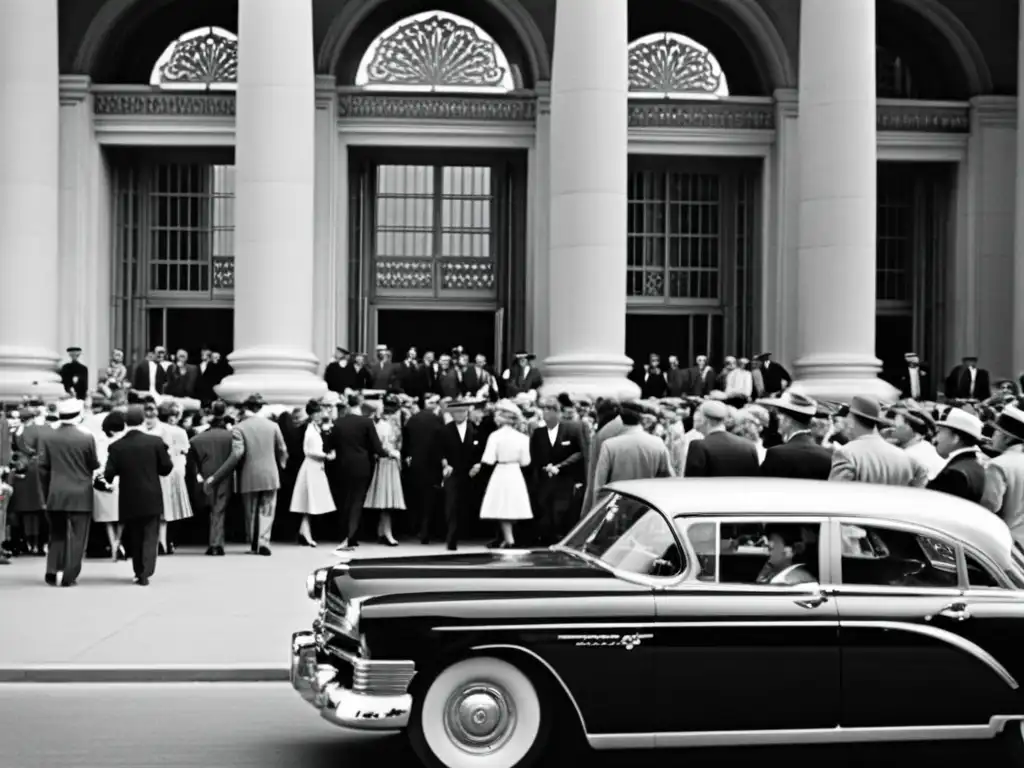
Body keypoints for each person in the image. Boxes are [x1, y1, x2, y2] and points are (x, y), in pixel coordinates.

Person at [206, 394, 288, 556]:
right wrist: (281, 464)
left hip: (248, 474)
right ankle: (264, 541)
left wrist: (222, 473)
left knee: (250, 511)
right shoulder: (273, 426)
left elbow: (237, 454)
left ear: (247, 408)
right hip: (270, 472)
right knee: (267, 508)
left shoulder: (240, 427)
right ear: (261, 407)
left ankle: (253, 542)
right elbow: (282, 449)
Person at [105, 405, 173, 585]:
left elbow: (109, 474)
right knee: (151, 534)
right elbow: (166, 468)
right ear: (143, 420)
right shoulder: (156, 442)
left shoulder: (116, 446)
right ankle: (146, 570)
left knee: (135, 535)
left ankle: (138, 570)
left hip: (129, 496)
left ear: (125, 423)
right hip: (152, 494)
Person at [38, 399, 99, 587]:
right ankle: (69, 574)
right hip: (81, 492)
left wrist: (46, 492)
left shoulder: (49, 437)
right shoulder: (86, 437)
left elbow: (43, 468)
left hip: (56, 491)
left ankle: (51, 570)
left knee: (56, 534)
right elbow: (93, 464)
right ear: (78, 415)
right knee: (78, 536)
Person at [326, 393, 392, 550]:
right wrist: (388, 454)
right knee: (357, 501)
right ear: (360, 404)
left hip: (342, 466)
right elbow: (376, 447)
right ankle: (351, 536)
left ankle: (344, 534)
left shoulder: (338, 422)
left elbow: (328, 445)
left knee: (344, 500)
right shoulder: (366, 422)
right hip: (362, 466)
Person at [529, 395, 586, 545]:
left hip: (565, 478)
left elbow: (579, 452)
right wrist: (545, 467)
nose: (545, 414)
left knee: (561, 510)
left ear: (557, 412)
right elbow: (534, 455)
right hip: (545, 479)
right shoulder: (538, 433)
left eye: (549, 410)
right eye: (544, 410)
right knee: (545, 509)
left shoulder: (571, 429)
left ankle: (563, 539)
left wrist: (560, 466)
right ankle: (547, 540)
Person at [476, 399, 532, 548]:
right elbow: (526, 461)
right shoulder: (523, 438)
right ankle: (509, 537)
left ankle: (509, 539)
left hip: (501, 471)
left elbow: (488, 458)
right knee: (512, 505)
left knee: (501, 506)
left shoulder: (495, 436)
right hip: (515, 472)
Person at [828, 396, 917, 486]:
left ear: (851, 420)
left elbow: (836, 494)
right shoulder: (904, 457)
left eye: (847, 416)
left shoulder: (847, 453)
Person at [593, 401, 673, 492]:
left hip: (617, 503)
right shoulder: (658, 443)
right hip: (647, 501)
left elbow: (599, 486)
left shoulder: (609, 445)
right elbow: (669, 479)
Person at [188, 401, 235, 556]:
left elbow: (192, 445)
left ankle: (214, 543)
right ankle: (216, 544)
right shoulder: (231, 436)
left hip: (207, 472)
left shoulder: (200, 437)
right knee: (219, 509)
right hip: (225, 473)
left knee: (213, 508)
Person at [289, 399, 335, 547]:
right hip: (311, 466)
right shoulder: (309, 429)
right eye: (317, 412)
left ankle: (305, 532)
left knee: (309, 502)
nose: (319, 415)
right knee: (309, 501)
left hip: (315, 466)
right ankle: (305, 533)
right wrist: (326, 456)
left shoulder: (315, 427)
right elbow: (308, 450)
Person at [758, 390, 833, 480]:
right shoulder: (827, 456)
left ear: (788, 420)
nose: (777, 422)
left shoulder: (776, 454)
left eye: (779, 417)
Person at [402, 394, 446, 544]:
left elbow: (406, 442)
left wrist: (407, 456)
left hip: (415, 463)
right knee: (430, 498)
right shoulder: (437, 420)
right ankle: (426, 530)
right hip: (432, 463)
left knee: (416, 497)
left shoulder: (412, 420)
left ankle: (415, 527)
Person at [364, 395, 405, 546]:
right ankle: (387, 533)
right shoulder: (383, 426)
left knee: (387, 500)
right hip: (386, 462)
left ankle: (382, 531)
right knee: (387, 501)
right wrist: (394, 453)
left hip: (389, 463)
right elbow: (382, 446)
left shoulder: (387, 424)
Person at [684, 400, 760, 478]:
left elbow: (693, 482)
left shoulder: (699, 446)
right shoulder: (749, 446)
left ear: (704, 419)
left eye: (698, 413)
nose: (694, 417)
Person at [928, 407, 986, 503]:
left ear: (955, 438)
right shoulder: (974, 466)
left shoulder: (955, 473)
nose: (935, 439)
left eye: (939, 432)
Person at [92, 410, 126, 562]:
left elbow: (97, 462)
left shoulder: (99, 440)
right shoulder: (122, 439)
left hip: (103, 480)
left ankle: (114, 544)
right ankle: (116, 543)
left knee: (108, 517)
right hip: (119, 479)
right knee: (119, 515)